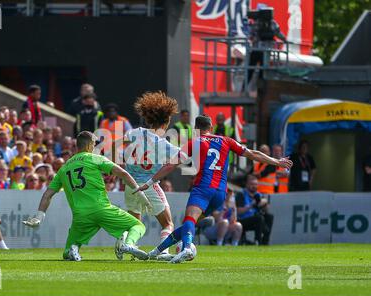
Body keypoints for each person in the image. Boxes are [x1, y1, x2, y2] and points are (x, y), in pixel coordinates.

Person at [137, 114, 292, 263]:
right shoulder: (226, 140)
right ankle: (156, 252)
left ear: (196, 128)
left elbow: (171, 165)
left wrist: (149, 182)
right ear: (211, 127)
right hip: (220, 194)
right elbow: (253, 154)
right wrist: (277, 161)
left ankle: (187, 248)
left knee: (189, 219)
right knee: (189, 224)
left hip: (203, 188)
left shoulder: (194, 142)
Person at [22, 131, 152, 261]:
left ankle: (73, 249)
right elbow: (123, 173)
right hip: (102, 209)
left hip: (80, 216)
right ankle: (128, 245)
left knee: (67, 252)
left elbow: (47, 194)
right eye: (94, 144)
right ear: (90, 145)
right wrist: (139, 193)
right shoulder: (95, 158)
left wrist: (39, 216)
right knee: (138, 226)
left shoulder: (64, 168)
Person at [123, 91, 189, 259]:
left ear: (147, 119)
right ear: (166, 121)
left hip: (130, 185)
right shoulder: (163, 144)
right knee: (168, 223)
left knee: (135, 224)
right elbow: (184, 157)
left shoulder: (134, 133)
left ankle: (129, 246)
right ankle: (164, 251)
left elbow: (121, 144)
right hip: (148, 185)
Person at [236, 175, 273, 245]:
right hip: (242, 220)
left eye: (256, 184)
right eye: (252, 184)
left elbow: (266, 210)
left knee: (269, 217)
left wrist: (264, 203)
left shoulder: (258, 195)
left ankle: (265, 242)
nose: (254, 186)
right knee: (258, 218)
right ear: (246, 184)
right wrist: (251, 205)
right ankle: (258, 241)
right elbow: (239, 211)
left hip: (256, 219)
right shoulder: (241, 194)